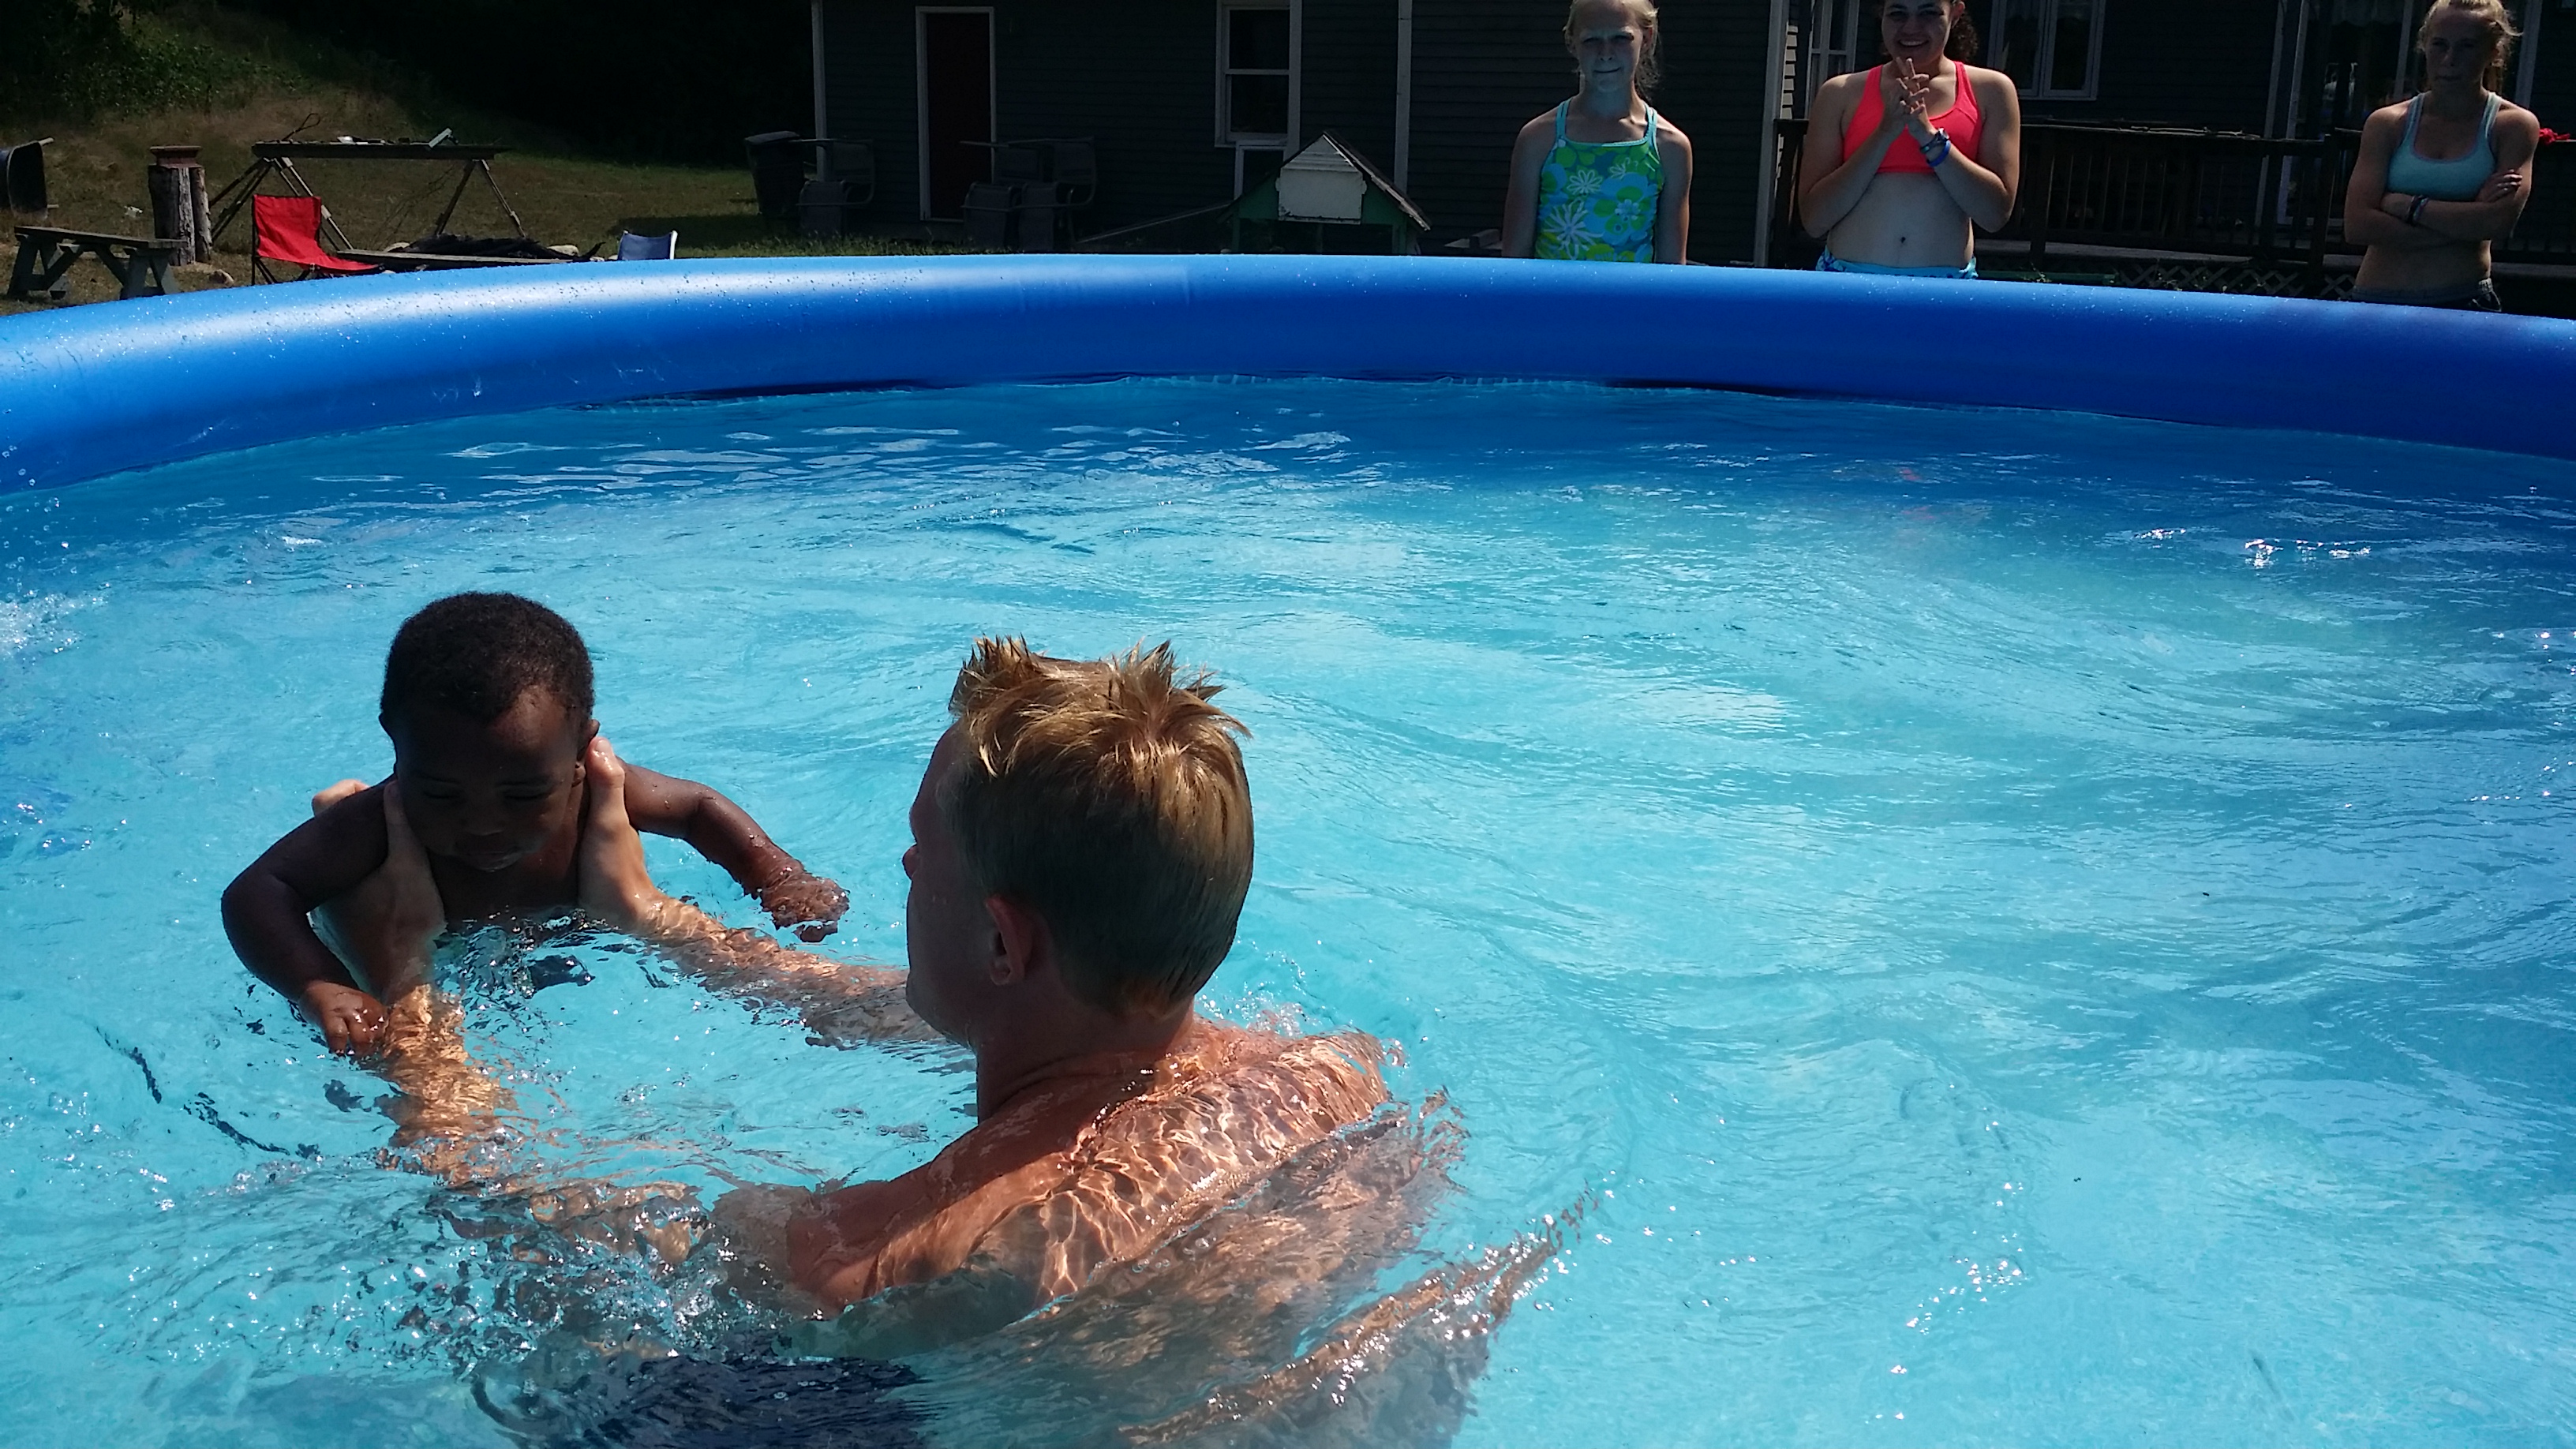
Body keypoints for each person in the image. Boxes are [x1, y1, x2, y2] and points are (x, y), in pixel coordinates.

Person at [560, 638, 1392, 1325]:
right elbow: (870, 1002)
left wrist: (473, 1085)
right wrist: (648, 913)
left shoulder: (877, 1259)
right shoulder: (1335, 1083)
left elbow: (538, 1236)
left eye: (924, 845)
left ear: (1002, 943)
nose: (906, 863)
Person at [220, 591, 850, 1069]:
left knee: (794, 996)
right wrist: (320, 986)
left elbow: (695, 808)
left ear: (581, 749)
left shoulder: (595, 787)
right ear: (394, 741)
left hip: (574, 945)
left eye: (522, 795)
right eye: (441, 793)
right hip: (445, 960)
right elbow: (258, 893)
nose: (483, 822)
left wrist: (778, 876)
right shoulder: (376, 826)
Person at [1797, 0, 2020, 279]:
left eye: (1928, 13)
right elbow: (1814, 220)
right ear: (1881, 15)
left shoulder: (1992, 91)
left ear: (1955, 14)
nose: (1911, 28)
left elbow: (1995, 215)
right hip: (1847, 282)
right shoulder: (1839, 93)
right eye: (1897, 14)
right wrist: (1884, 134)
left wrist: (1929, 138)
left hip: (1944, 289)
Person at [2343, 0, 2538, 312]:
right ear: (2425, 46)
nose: (2450, 59)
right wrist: (2466, 222)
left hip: (2464, 302)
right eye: (2440, 45)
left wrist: (2409, 206)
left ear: (2493, 52)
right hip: (2377, 301)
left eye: (2467, 46)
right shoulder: (2388, 123)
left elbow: (2497, 222)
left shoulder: (2512, 126)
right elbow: (2358, 225)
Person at [1502, 0, 1694, 264]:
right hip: (1552, 293)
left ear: (1647, 38)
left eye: (1620, 38)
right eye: (1592, 40)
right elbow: (1513, 262)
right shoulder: (1538, 140)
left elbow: (1672, 269)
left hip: (1629, 293)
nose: (1606, 53)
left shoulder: (1670, 148)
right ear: (1572, 43)